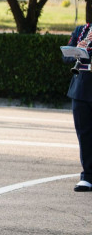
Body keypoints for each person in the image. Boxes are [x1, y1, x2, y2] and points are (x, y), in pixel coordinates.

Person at [63, 24, 92, 192]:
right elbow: (66, 57)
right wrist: (78, 50)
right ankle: (87, 176)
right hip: (81, 87)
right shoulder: (81, 30)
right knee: (84, 134)